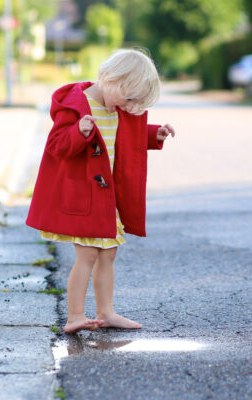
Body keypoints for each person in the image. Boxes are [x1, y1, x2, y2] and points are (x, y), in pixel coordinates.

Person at [26, 49, 175, 333]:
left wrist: (153, 134)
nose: (130, 107)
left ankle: (106, 312)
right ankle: (74, 316)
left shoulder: (117, 107)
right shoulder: (76, 105)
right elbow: (57, 145)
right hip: (84, 197)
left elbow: (125, 136)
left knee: (108, 254)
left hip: (107, 198)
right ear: (112, 79)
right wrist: (78, 133)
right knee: (87, 255)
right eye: (128, 98)